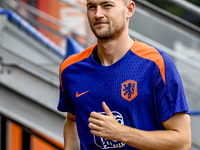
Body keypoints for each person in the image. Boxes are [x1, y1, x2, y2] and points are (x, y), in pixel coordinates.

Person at [57, 0, 191, 149]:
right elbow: (73, 120)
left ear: (129, 9)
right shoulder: (70, 68)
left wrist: (121, 133)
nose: (98, 14)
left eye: (107, 5)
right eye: (92, 7)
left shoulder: (157, 64)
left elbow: (182, 142)